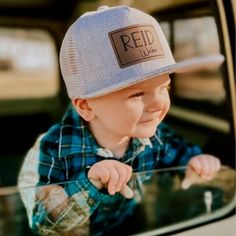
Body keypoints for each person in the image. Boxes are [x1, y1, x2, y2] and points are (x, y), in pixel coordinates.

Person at [18, 5, 223, 236]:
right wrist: (90, 182)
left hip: (129, 223)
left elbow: (178, 153)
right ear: (86, 106)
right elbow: (44, 223)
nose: (158, 104)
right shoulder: (54, 148)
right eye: (137, 93)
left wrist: (195, 160)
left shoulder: (155, 134)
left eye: (164, 86)